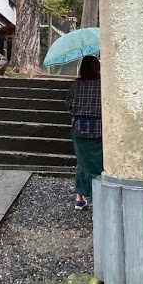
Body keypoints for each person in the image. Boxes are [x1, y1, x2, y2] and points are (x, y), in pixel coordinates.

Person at [65, 55, 103, 210]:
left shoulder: (76, 85)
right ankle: (99, 195)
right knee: (99, 163)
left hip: (80, 127)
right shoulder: (103, 85)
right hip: (100, 128)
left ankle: (80, 197)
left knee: (82, 162)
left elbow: (68, 103)